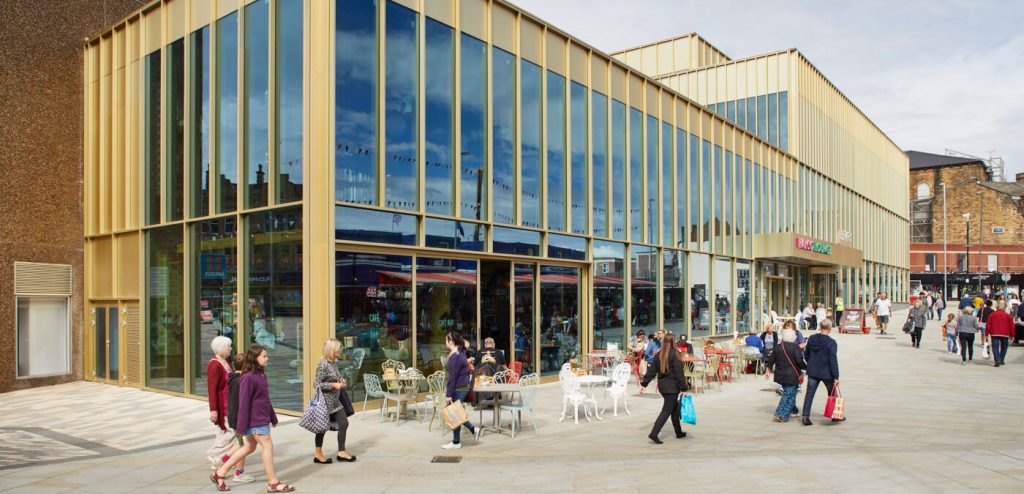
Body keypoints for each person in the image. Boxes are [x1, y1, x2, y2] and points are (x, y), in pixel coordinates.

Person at [212, 346, 294, 492]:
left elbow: (265, 399)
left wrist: (273, 417)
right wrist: (242, 427)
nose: (267, 358)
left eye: (266, 355)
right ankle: (273, 482)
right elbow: (243, 403)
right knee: (267, 446)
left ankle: (220, 473)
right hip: (255, 420)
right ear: (254, 358)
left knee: (249, 447)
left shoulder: (261, 375)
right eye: (264, 356)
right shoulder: (248, 377)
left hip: (260, 418)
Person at [312, 339, 356, 464]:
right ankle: (318, 454)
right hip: (324, 403)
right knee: (321, 428)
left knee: (344, 423)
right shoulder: (323, 364)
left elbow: (335, 377)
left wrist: (341, 381)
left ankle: (341, 452)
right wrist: (333, 385)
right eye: (338, 348)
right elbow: (316, 384)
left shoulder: (333, 363)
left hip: (335, 402)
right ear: (331, 350)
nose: (340, 350)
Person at [640, 333, 687, 443]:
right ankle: (654, 433)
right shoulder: (675, 354)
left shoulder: (659, 355)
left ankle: (678, 432)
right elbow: (679, 374)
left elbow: (651, 371)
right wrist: (684, 388)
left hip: (663, 387)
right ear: (673, 341)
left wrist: (644, 384)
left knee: (674, 409)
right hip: (672, 388)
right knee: (666, 411)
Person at [206, 337, 241, 473]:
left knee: (226, 434)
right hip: (223, 405)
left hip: (229, 403)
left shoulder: (225, 362)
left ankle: (219, 460)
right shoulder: (214, 365)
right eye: (229, 346)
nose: (231, 349)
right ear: (222, 348)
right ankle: (216, 458)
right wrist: (213, 410)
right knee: (227, 433)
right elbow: (212, 389)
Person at [442, 332, 481, 449]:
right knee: (457, 413)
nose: (445, 342)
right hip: (463, 386)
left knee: (454, 414)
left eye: (446, 340)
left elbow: (452, 377)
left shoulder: (455, 356)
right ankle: (470, 432)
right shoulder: (461, 352)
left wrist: (448, 394)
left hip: (458, 387)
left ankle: (457, 441)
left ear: (451, 342)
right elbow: (465, 346)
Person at [800, 319, 842, 425]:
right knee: (832, 394)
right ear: (829, 329)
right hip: (826, 372)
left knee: (809, 394)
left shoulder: (812, 338)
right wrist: (836, 376)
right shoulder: (831, 342)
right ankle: (835, 415)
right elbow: (833, 360)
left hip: (813, 370)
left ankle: (805, 416)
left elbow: (806, 353)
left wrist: (810, 363)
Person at [764, 327, 806, 422]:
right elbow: (799, 361)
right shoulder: (795, 348)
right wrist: (807, 368)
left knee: (790, 393)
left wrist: (768, 370)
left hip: (780, 375)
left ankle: (794, 410)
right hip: (791, 376)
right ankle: (780, 415)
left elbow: (771, 360)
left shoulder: (778, 347)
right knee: (788, 395)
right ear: (793, 337)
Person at [987, 300, 1014, 367]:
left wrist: (986, 334)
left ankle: (997, 359)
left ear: (997, 307)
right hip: (1005, 334)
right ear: (1004, 307)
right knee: (1004, 347)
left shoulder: (992, 315)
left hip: (994, 333)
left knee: (995, 347)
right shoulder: (1008, 316)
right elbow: (1012, 326)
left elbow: (988, 325)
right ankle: (1001, 360)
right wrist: (1012, 334)